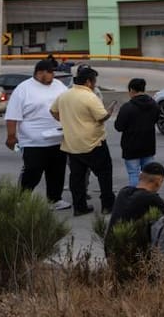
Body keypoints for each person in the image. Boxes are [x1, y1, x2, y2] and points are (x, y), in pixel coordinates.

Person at [3, 59, 71, 211]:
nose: (53, 76)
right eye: (51, 72)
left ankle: (54, 200)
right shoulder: (23, 89)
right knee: (33, 170)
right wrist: (11, 136)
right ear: (40, 72)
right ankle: (21, 199)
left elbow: (68, 103)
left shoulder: (58, 86)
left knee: (57, 172)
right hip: (33, 141)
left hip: (57, 138)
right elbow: (12, 115)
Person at [51, 65, 116, 216]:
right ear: (88, 82)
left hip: (72, 144)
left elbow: (53, 111)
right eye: (94, 81)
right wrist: (110, 110)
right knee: (104, 174)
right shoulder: (90, 96)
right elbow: (102, 117)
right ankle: (107, 205)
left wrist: (66, 121)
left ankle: (79, 207)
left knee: (77, 178)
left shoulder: (64, 95)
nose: (95, 84)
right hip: (93, 142)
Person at [106, 161, 164, 247]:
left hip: (111, 246)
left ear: (140, 177)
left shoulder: (123, 191)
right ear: (159, 182)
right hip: (131, 250)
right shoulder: (151, 198)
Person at [114, 77, 159, 186]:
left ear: (132, 90)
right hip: (148, 145)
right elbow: (156, 119)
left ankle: (136, 199)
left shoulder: (127, 107)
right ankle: (148, 196)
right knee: (148, 174)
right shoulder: (154, 104)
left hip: (131, 147)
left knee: (134, 174)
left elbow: (119, 126)